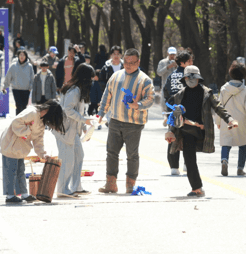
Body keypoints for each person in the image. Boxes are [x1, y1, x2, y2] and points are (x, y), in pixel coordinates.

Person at [165, 65, 238, 197]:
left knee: (190, 158)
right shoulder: (179, 95)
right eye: (188, 77)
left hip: (202, 131)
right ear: (184, 79)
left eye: (193, 77)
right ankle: (197, 188)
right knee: (189, 158)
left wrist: (230, 119)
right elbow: (174, 116)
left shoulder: (207, 93)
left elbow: (219, 107)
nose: (190, 80)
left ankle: (197, 187)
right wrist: (170, 131)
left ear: (198, 79)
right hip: (186, 131)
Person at [97, 48, 155, 194]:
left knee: (132, 155)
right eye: (126, 62)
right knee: (111, 152)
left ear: (138, 62)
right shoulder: (116, 76)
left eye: (132, 62)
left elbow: (150, 99)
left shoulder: (145, 80)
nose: (128, 65)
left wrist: (138, 105)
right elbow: (107, 95)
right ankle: (111, 183)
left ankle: (130, 184)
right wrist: (101, 112)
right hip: (115, 120)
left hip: (134, 123)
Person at [0, 100, 65, 203]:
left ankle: (24, 194)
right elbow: (16, 122)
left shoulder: (41, 121)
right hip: (10, 144)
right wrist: (28, 131)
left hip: (20, 148)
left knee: (20, 171)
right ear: (49, 111)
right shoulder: (32, 113)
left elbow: (38, 139)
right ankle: (10, 195)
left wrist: (43, 154)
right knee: (10, 171)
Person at [55, 64, 96, 197]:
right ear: (85, 78)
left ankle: (76, 186)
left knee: (79, 156)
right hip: (65, 131)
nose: (92, 81)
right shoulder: (74, 90)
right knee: (67, 160)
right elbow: (68, 110)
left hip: (73, 131)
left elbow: (80, 111)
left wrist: (85, 128)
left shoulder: (79, 90)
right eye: (90, 78)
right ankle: (62, 189)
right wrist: (85, 121)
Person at [216, 62, 246, 176]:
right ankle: (240, 168)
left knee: (226, 141)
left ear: (231, 73)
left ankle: (224, 160)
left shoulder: (224, 88)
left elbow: (219, 106)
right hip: (241, 120)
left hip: (227, 119)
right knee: (243, 143)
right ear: (244, 75)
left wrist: (218, 121)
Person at [162, 50, 193, 174]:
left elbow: (165, 91)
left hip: (173, 111)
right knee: (188, 136)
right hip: (187, 111)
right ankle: (187, 163)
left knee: (173, 136)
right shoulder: (189, 76)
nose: (191, 63)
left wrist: (169, 106)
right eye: (189, 61)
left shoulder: (172, 75)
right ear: (183, 63)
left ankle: (174, 167)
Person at [2, 50, 35, 115]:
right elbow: (8, 77)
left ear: (26, 57)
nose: (22, 56)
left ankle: (23, 121)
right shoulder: (13, 66)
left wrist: (31, 87)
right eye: (20, 55)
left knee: (24, 106)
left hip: (26, 89)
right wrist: (5, 86)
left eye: (23, 55)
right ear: (18, 56)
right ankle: (17, 121)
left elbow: (32, 78)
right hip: (16, 89)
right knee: (18, 105)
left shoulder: (29, 66)